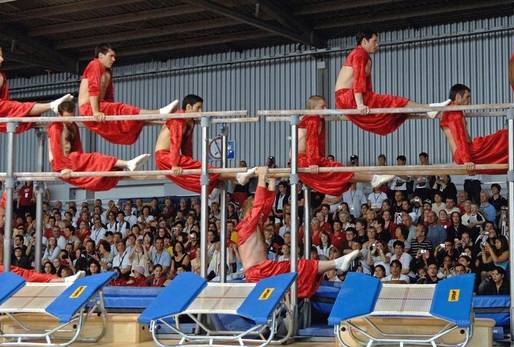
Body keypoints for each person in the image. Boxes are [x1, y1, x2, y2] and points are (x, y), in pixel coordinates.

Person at [236, 167, 360, 298]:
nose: (263, 215)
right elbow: (259, 205)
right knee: (299, 267)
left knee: (299, 268)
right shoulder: (246, 226)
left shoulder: (254, 224)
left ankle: (336, 263)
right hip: (259, 271)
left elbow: (265, 206)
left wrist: (271, 182)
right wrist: (261, 177)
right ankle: (336, 263)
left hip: (263, 269)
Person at [0, 171, 81, 285]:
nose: (5, 219)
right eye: (2, 216)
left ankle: (59, 280)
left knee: (25, 273)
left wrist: (6, 186)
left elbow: (5, 205)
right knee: (24, 274)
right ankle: (60, 280)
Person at [334, 30, 450, 136]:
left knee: (394, 111)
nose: (377, 45)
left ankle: (428, 111)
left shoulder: (363, 56)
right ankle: (428, 108)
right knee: (394, 102)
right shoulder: (360, 53)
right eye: (374, 41)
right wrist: (359, 104)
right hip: (348, 97)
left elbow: (366, 86)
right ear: (364, 41)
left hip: (346, 98)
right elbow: (358, 79)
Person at [440, 84, 514, 174]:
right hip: (467, 152)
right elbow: (459, 136)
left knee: (508, 138)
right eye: (467, 97)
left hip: (466, 152)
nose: (469, 101)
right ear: (457, 96)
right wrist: (467, 160)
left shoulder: (451, 110)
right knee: (507, 136)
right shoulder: (453, 111)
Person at [292, 95, 394, 195]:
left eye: (326, 106)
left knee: (341, 171)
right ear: (313, 108)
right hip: (303, 160)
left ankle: (373, 178)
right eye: (322, 107)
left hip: (303, 158)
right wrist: (312, 162)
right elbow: (311, 142)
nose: (326, 109)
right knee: (339, 171)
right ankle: (373, 178)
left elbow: (337, 115)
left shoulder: (313, 119)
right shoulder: (312, 120)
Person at [79, 43, 178, 145]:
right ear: (100, 56)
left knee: (129, 119)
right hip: (89, 109)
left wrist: (113, 114)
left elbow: (109, 97)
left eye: (114, 57)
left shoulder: (108, 73)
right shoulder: (94, 64)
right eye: (111, 56)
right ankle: (159, 113)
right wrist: (95, 112)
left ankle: (164, 120)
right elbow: (93, 88)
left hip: (101, 107)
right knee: (123, 109)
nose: (114, 59)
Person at [48, 101, 151, 191]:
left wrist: (82, 163)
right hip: (60, 163)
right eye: (68, 118)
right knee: (94, 158)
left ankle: (124, 166)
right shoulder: (56, 127)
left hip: (73, 160)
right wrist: (61, 169)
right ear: (60, 115)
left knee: (99, 170)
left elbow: (77, 146)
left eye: (72, 116)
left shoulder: (73, 125)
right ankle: (127, 163)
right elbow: (55, 150)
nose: (71, 120)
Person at [0, 44, 73, 134]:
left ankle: (52, 108)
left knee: (27, 116)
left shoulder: (0, 76)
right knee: (21, 107)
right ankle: (52, 105)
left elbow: (4, 99)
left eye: (1, 56)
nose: (2, 59)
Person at [155, 94, 235, 193]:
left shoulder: (190, 122)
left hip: (173, 156)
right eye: (198, 108)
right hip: (165, 157)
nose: (200, 111)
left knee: (199, 172)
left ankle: (226, 180)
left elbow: (187, 145)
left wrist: (190, 161)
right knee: (205, 169)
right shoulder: (177, 118)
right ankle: (236, 176)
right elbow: (175, 141)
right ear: (188, 107)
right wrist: (174, 164)